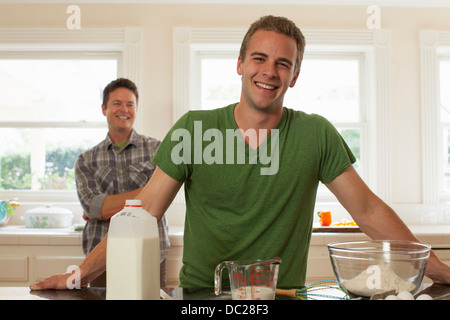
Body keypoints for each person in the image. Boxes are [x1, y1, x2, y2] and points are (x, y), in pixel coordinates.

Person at [30, 16, 450, 291]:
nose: (269, 71)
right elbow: (141, 212)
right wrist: (76, 275)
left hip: (282, 296)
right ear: (240, 64)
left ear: (295, 76)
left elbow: (369, 211)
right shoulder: (195, 129)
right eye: (260, 58)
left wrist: (440, 272)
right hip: (201, 297)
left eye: (283, 64)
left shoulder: (315, 134)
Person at [74, 78, 169, 286]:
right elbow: (94, 207)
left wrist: (109, 205)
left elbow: (167, 194)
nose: (124, 109)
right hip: (101, 259)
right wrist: (152, 192)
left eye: (130, 104)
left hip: (151, 252)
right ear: (104, 108)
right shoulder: (86, 159)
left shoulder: (157, 149)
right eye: (117, 103)